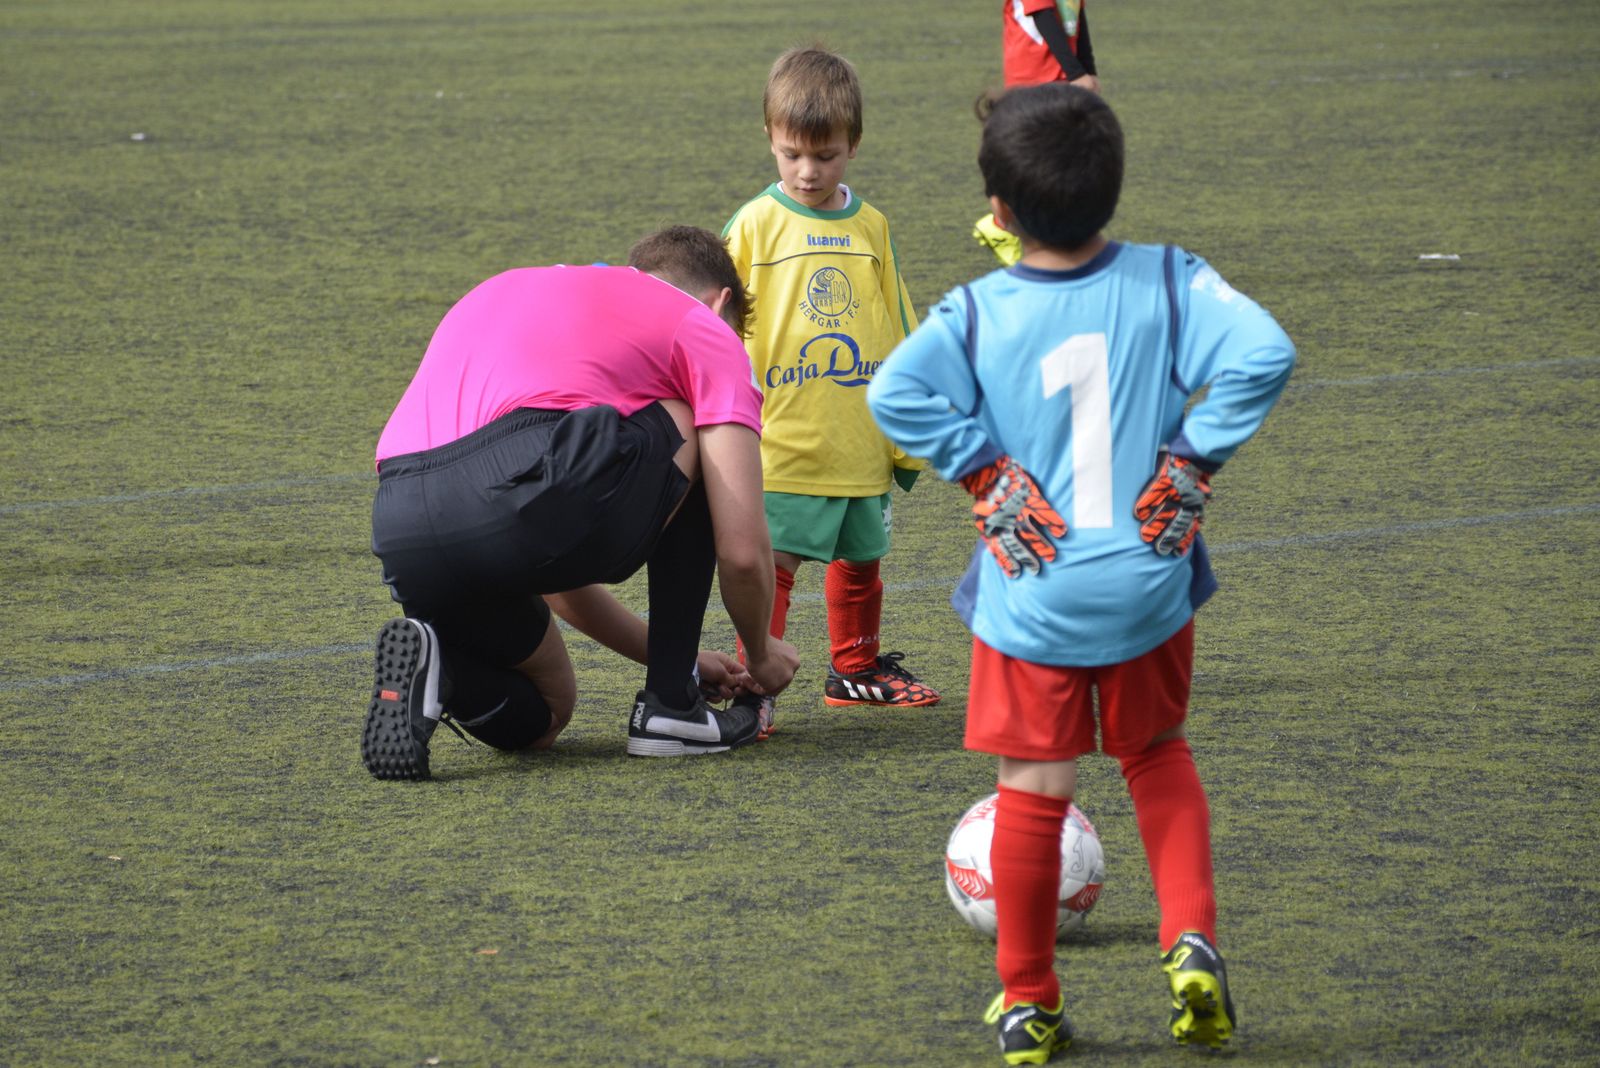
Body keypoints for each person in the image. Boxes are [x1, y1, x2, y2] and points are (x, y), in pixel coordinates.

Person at [868, 84, 1295, 1062]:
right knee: (1157, 758)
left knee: (1032, 789)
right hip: (1150, 574)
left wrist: (983, 470)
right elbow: (1266, 351)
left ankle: (1029, 1001)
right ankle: (1190, 941)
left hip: (1036, 586)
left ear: (999, 212)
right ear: (1111, 193)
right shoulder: (1168, 278)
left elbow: (895, 390)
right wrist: (1191, 458)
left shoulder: (977, 310)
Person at [363, 226, 800, 779]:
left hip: (401, 514)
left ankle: (444, 669)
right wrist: (760, 652)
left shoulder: (515, 287)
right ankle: (671, 709)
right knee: (698, 425)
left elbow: (550, 556)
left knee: (547, 714)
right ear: (722, 303)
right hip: (523, 492)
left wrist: (679, 654)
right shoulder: (702, 325)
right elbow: (740, 549)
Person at [719, 44, 940, 739]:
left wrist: (909, 423)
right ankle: (753, 685)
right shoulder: (754, 225)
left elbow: (900, 322)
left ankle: (856, 670)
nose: (808, 172)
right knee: (774, 564)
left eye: (826, 155)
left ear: (854, 145)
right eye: (791, 155)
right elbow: (714, 323)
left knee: (861, 558)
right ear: (770, 141)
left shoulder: (871, 228)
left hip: (857, 431)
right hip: (782, 435)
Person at [974, 1, 1102, 267]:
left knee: (1063, 162)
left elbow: (1076, 16)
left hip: (1064, 77)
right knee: (1033, 160)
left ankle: (1056, 237)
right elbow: (1041, 14)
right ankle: (1001, 226)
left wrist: (1088, 69)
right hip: (1032, 77)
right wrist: (1077, 72)